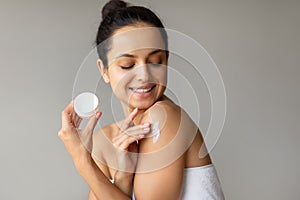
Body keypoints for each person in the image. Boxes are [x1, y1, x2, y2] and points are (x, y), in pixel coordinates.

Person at [58, 0, 225, 199]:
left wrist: (82, 161)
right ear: (104, 70)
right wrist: (122, 179)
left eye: (155, 62)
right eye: (128, 65)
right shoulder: (103, 141)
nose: (144, 75)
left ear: (167, 60)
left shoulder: (165, 117)